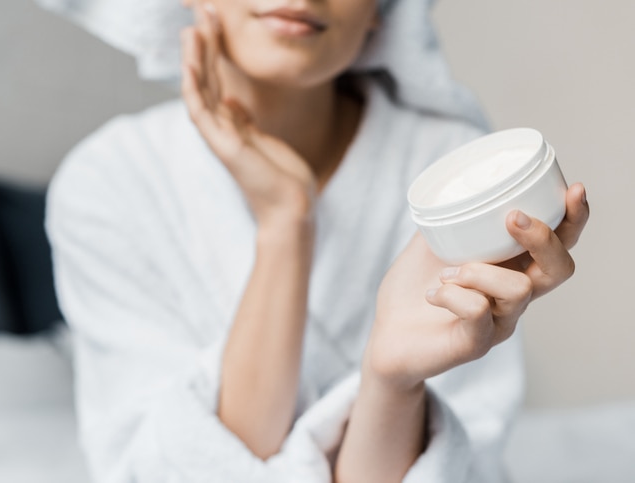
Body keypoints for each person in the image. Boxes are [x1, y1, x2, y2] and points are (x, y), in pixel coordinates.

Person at [43, 0, 589, 481]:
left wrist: (391, 379)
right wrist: (286, 224)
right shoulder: (108, 180)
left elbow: (465, 461)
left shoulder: (451, 175)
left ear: (384, 8)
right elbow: (173, 470)